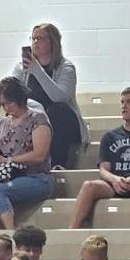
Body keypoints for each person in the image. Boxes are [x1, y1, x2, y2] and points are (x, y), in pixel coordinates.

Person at [70, 87, 130, 228]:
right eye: (122, 102)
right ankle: (72, 231)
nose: (124, 105)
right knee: (89, 185)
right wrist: (115, 179)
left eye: (129, 101)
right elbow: (104, 169)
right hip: (114, 183)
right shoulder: (109, 136)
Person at [0, 78, 53, 231]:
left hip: (35, 176)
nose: (7, 107)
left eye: (10, 103)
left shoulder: (37, 119)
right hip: (3, 174)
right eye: (3, 104)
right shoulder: (2, 123)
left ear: (20, 99)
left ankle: (10, 232)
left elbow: (40, 155)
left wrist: (8, 160)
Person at [11, 23, 87, 169]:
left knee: (57, 110)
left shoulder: (66, 67)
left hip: (63, 123)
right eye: (33, 38)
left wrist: (38, 71)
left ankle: (57, 164)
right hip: (34, 122)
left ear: (52, 41)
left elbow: (60, 97)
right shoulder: (22, 68)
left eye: (40, 38)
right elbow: (11, 95)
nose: (35, 42)